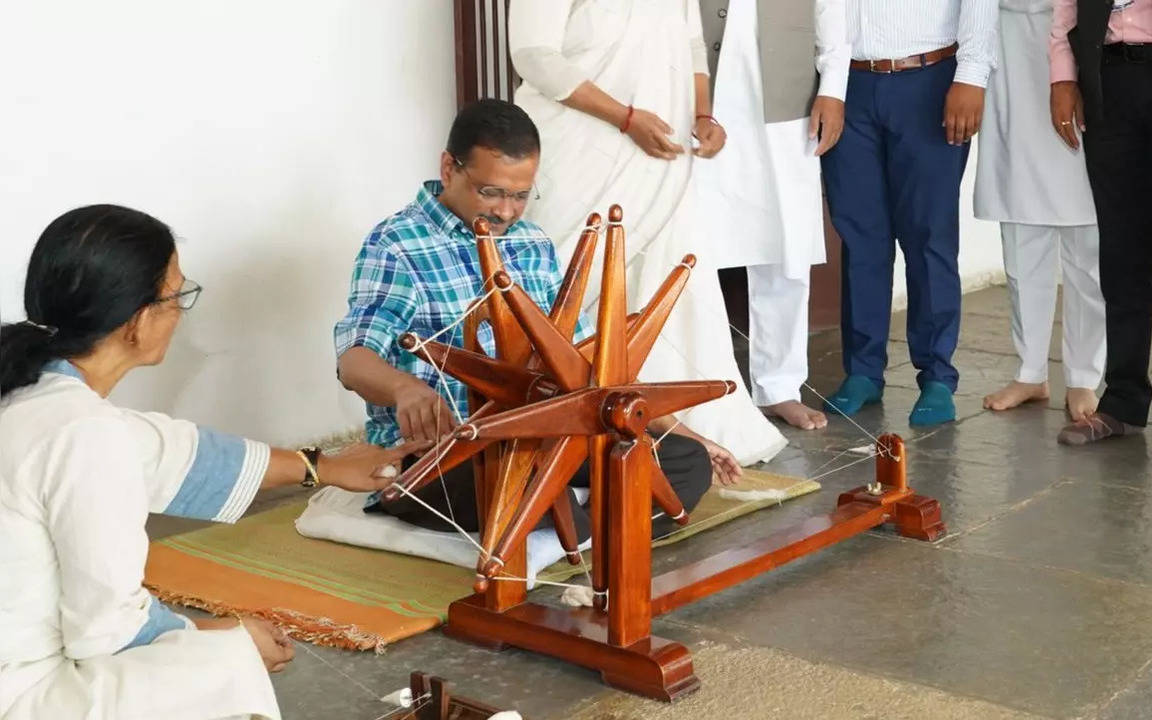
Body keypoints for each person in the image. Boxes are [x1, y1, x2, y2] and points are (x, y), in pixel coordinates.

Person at [0, 205, 417, 720]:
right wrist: (217, 635)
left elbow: (180, 454)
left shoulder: (35, 398)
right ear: (137, 320)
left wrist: (320, 467)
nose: (181, 310)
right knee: (227, 663)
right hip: (24, 696)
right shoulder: (84, 432)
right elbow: (106, 629)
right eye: (177, 295)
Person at [333, 100, 717, 550]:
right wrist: (405, 390)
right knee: (527, 490)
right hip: (443, 455)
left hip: (543, 436)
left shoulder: (532, 244)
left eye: (520, 195)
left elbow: (591, 357)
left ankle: (583, 533)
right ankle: (593, 530)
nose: (507, 211)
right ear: (449, 168)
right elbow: (353, 360)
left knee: (685, 460)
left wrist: (675, 428)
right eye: (491, 192)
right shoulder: (397, 244)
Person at [506, 0, 788, 466]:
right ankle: (550, 427)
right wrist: (624, 117)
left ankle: (667, 426)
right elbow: (535, 55)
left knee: (667, 277)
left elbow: (693, 45)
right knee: (570, 278)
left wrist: (703, 115)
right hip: (584, 146)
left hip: (661, 150)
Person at [1049, 0, 1152, 464]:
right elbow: (1066, 8)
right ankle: (1123, 400)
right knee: (1122, 254)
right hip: (1107, 79)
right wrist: (1063, 76)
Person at [821, 0, 999, 427]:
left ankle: (937, 375)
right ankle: (863, 371)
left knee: (929, 234)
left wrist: (971, 76)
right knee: (861, 235)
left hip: (930, 80)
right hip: (849, 84)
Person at [697, 0, 850, 431]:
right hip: (702, 103)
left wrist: (833, 91)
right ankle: (702, 388)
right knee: (694, 248)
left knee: (787, 251)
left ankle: (779, 389)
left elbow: (832, 20)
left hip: (787, 104)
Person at [974, 0, 1105, 421]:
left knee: (1087, 240)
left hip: (1076, 47)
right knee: (1021, 230)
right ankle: (1030, 370)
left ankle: (1084, 375)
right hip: (1008, 54)